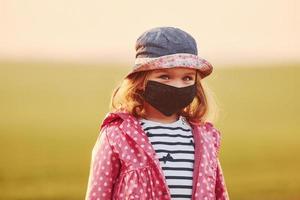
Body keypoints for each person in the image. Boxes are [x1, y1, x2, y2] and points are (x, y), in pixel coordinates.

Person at [85, 27, 230, 200]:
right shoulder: (117, 135)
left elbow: (219, 194)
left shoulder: (206, 139)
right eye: (165, 77)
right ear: (140, 82)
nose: (177, 86)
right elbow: (98, 194)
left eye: (187, 78)